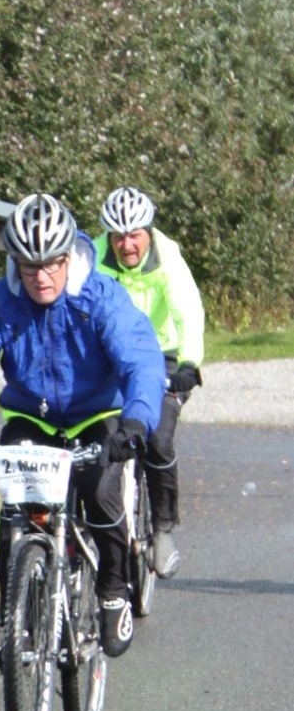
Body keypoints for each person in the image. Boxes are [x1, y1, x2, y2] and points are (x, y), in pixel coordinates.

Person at [0, 192, 164, 660]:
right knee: (14, 516)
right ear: (15, 263)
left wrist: (136, 420)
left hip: (96, 414)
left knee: (101, 492)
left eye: (52, 265)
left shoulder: (98, 295)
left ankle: (114, 589)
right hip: (31, 417)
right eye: (28, 266)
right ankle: (14, 625)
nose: (41, 277)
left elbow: (140, 357)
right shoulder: (2, 301)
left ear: (69, 258)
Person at [94, 185, 205, 577]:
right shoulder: (92, 259)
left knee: (157, 437)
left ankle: (163, 528)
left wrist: (189, 363)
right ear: (108, 235)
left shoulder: (167, 258)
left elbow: (188, 311)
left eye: (135, 235)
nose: (127, 244)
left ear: (148, 232)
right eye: (119, 236)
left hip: (162, 359)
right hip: (111, 360)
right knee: (92, 436)